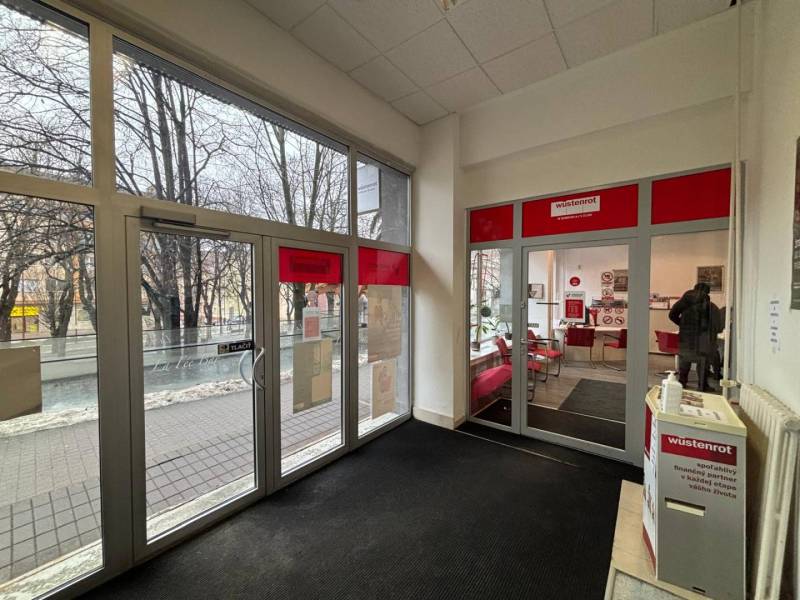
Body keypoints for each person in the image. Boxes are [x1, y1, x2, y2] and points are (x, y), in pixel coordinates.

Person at [668, 283, 717, 391]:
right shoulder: (708, 304)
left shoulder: (684, 300)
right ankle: (702, 385)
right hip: (702, 336)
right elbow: (715, 323)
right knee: (703, 360)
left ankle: (682, 382)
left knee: (685, 358)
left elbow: (672, 315)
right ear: (707, 292)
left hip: (686, 335)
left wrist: (682, 324)